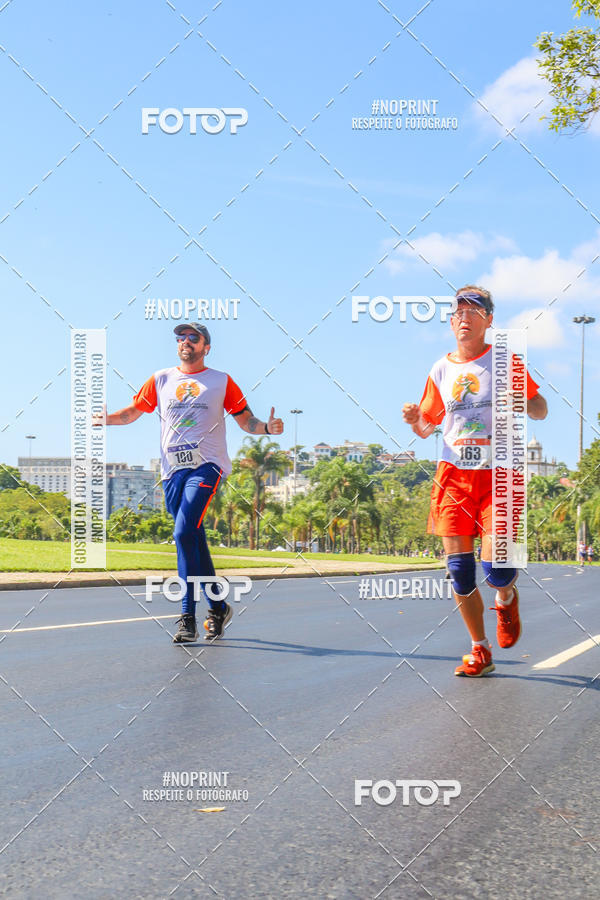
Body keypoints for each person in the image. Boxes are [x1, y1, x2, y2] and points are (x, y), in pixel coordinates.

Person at [97, 323, 283, 643]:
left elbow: (245, 420)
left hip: (206, 467)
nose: (185, 342)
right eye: (181, 338)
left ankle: (187, 617)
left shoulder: (221, 381)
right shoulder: (161, 379)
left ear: (206, 347)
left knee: (183, 532)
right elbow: (133, 412)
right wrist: (106, 419)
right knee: (193, 539)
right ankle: (218, 607)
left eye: (193, 338)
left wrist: (267, 428)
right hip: (172, 471)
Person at [403, 286, 548, 677]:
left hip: (499, 473)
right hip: (453, 476)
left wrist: (523, 400)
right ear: (451, 323)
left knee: (496, 567)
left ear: (488, 320)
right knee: (459, 570)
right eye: (459, 312)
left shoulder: (505, 361)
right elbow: (425, 429)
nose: (465, 317)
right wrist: (415, 417)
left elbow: (541, 410)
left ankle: (506, 595)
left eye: (474, 310)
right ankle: (479, 650)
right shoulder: (440, 369)